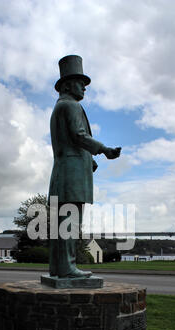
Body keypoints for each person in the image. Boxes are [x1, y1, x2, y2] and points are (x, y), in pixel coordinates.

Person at [48, 55, 121, 278]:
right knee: (69, 224)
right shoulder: (70, 106)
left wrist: (90, 160)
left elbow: (70, 141)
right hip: (71, 176)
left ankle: (59, 267)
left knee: (63, 224)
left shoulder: (61, 106)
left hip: (65, 173)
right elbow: (79, 136)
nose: (85, 88)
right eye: (81, 83)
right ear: (69, 85)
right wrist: (104, 149)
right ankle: (67, 267)